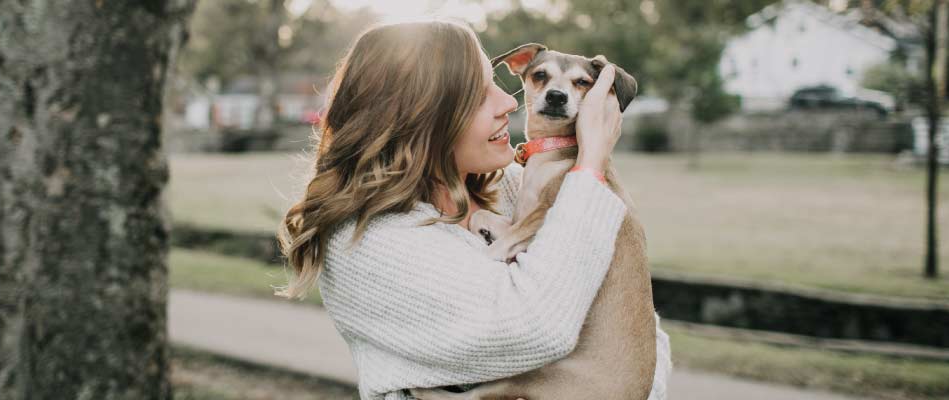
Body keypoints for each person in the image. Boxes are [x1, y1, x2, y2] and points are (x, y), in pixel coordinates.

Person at [276, 19, 670, 400]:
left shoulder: (513, 187)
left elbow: (641, 333)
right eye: (481, 94)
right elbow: (536, 328)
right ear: (423, 117)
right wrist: (591, 163)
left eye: (497, 84)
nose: (508, 102)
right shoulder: (366, 243)